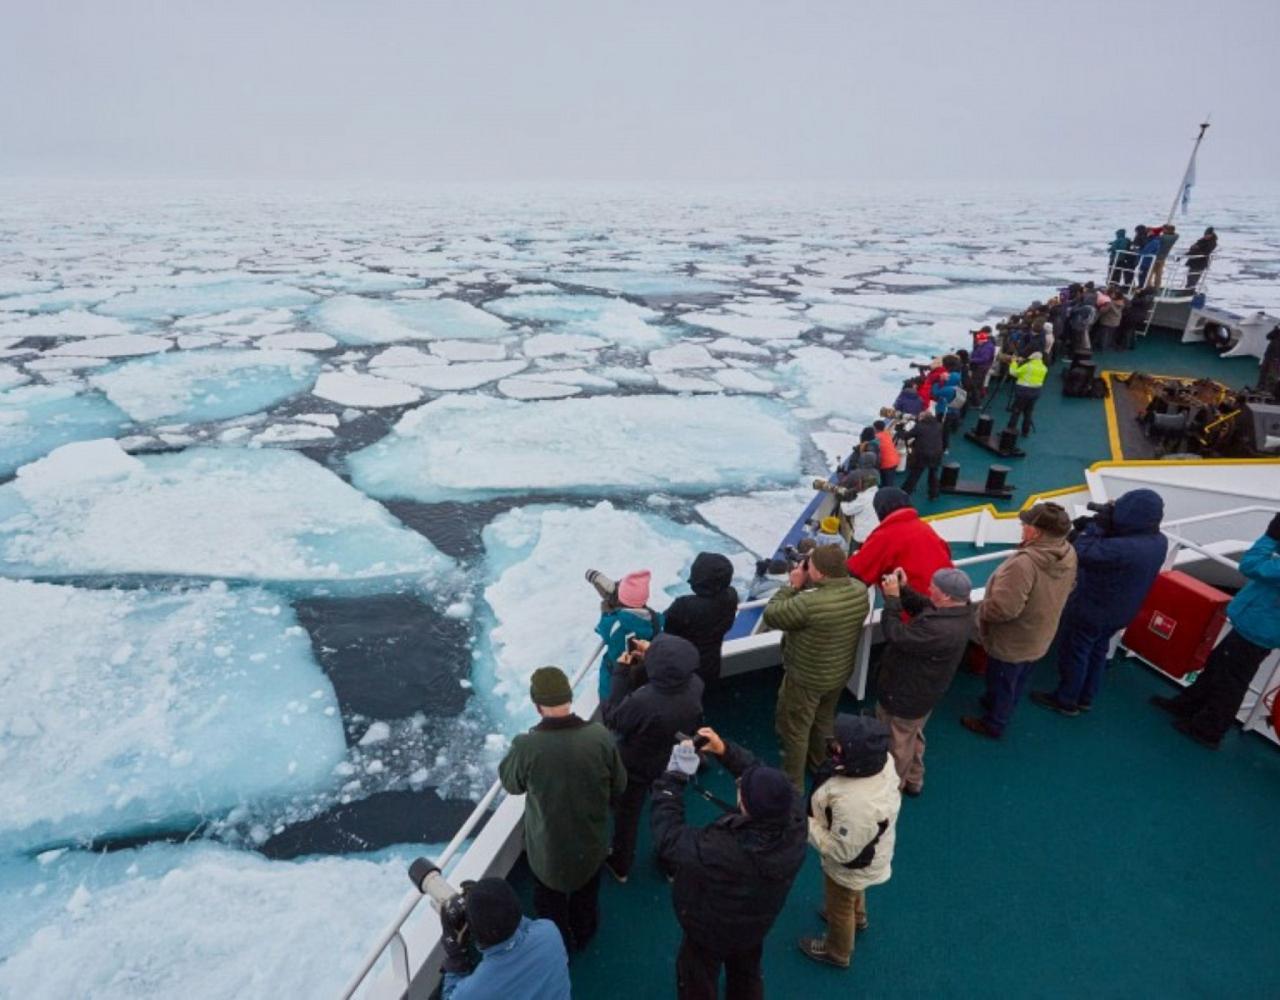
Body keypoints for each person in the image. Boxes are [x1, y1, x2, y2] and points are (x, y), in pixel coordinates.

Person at [651, 727, 806, 1000]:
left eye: (741, 790)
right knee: (746, 973)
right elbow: (760, 774)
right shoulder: (795, 819)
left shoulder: (723, 851)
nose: (738, 785)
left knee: (696, 979)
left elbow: (669, 839)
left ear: (746, 806)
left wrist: (671, 781)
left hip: (710, 928)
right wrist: (724, 749)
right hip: (756, 921)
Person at [499, 666, 627, 950]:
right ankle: (585, 931)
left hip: (548, 852)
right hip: (590, 844)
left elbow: (511, 784)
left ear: (537, 705)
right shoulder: (599, 736)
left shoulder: (527, 746)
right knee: (586, 896)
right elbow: (620, 783)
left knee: (550, 904)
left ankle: (559, 944)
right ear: (569, 697)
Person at [1030, 490, 1166, 716]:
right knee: (1097, 651)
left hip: (1093, 608)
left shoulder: (1123, 548)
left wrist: (1095, 528)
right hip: (1122, 611)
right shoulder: (1158, 541)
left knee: (1076, 651)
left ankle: (1066, 699)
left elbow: (1081, 552)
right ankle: (1085, 697)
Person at [1150, 515, 1280, 749]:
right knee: (1218, 667)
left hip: (1257, 629)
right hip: (1258, 626)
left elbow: (1251, 565)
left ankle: (1209, 729)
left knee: (1231, 681)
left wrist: (1271, 536)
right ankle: (1189, 704)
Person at [961, 503, 1078, 739]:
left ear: (1036, 532)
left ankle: (994, 723)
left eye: (1025, 525)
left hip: (1013, 638)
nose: (1022, 529)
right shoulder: (1068, 552)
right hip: (1039, 632)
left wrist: (981, 610)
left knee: (1004, 679)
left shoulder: (1025, 564)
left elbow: (1004, 608)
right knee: (1018, 677)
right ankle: (994, 703)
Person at [797, 714, 901, 969]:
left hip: (850, 863)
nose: (834, 744)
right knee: (855, 888)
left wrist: (805, 824)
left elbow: (840, 851)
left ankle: (837, 950)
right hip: (868, 855)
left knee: (839, 902)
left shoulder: (855, 803)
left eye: (841, 744)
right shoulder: (881, 761)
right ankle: (860, 917)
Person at [764, 544, 870, 789]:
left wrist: (793, 585)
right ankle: (820, 765)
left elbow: (773, 614)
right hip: (838, 672)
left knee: (795, 730)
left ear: (820, 574)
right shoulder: (859, 590)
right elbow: (829, 600)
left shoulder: (808, 604)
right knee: (823, 720)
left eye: (809, 565)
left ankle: (793, 785)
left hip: (806, 678)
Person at [603, 633, 704, 882]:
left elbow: (614, 719)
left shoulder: (643, 701)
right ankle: (670, 864)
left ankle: (621, 864)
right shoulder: (695, 684)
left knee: (627, 815)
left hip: (637, 764)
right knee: (668, 811)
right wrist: (652, 656)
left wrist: (620, 673)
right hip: (671, 760)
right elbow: (670, 682)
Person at [874, 566, 974, 794]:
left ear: (947, 596)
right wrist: (904, 590)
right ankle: (913, 778)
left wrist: (891, 600)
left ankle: (891, 789)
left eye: (934, 587)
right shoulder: (960, 612)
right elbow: (925, 606)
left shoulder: (940, 629)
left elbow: (896, 634)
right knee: (911, 734)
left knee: (897, 743)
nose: (929, 588)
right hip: (924, 692)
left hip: (906, 693)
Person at [440, 877, 571, 1000]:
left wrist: (456, 957)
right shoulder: (549, 933)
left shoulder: (472, 992)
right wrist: (489, 901)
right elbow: (518, 921)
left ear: (477, 935)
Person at [847, 487, 953, 596]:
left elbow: (857, 571)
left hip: (919, 604)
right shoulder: (924, 527)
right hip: (950, 597)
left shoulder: (885, 535)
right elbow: (946, 552)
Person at [663, 552, 740, 687]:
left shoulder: (684, 606)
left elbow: (667, 631)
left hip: (684, 666)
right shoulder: (730, 597)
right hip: (711, 663)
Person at [592, 569, 663, 699]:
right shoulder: (655, 618)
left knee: (611, 702)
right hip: (643, 676)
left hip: (616, 678)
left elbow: (601, 628)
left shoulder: (615, 623)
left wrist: (607, 608)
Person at [838, 451, 882, 547]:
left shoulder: (855, 474)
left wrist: (841, 474)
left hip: (853, 502)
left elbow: (842, 484)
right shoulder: (876, 472)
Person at [900, 411, 944, 502]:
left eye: (919, 417)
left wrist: (901, 431)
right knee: (934, 473)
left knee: (916, 473)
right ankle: (934, 494)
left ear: (923, 418)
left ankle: (905, 492)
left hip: (923, 454)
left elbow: (906, 436)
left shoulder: (919, 427)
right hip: (937, 453)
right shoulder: (939, 425)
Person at [1005, 351, 1047, 437]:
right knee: (1028, 412)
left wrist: (1013, 362)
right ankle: (1025, 431)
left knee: (1016, 411)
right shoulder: (1044, 368)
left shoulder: (1028, 366)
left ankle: (1009, 431)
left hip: (1023, 392)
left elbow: (1013, 373)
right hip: (1035, 393)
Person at [969, 328, 996, 405]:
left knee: (975, 385)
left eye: (978, 340)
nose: (977, 341)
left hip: (981, 368)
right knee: (979, 384)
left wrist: (972, 360)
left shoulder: (987, 347)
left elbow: (984, 359)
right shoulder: (985, 345)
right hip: (981, 367)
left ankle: (976, 403)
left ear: (983, 340)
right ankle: (979, 397)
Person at [873, 420, 900, 488]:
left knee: (887, 484)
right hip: (895, 460)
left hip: (887, 463)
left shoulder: (876, 437)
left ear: (875, 428)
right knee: (889, 481)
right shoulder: (887, 434)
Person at [1153, 223, 1178, 288]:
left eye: (1164, 229)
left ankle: (1148, 286)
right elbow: (1176, 234)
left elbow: (1155, 238)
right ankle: (1157, 287)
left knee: (1149, 273)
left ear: (1167, 230)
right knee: (1159, 274)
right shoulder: (1175, 237)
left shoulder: (1162, 237)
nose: (1163, 230)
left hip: (1156, 257)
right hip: (1163, 258)